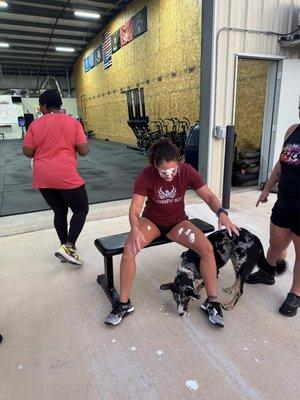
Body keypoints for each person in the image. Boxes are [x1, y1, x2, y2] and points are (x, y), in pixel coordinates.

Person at [105, 139, 239, 327]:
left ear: (178, 163)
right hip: (151, 221)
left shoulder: (187, 171)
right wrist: (135, 229)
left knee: (207, 249)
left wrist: (221, 213)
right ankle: (124, 303)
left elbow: (208, 195)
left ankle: (212, 301)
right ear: (154, 166)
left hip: (178, 223)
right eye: (163, 172)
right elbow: (135, 208)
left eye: (172, 170)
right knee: (129, 250)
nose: (169, 175)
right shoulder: (146, 175)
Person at [23, 89, 89, 266]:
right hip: (65, 174)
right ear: (59, 104)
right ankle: (69, 246)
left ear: (44, 106)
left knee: (60, 211)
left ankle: (64, 248)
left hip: (42, 176)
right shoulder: (73, 123)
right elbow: (84, 151)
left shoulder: (35, 125)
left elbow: (28, 152)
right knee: (81, 209)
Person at [246, 111, 300, 317]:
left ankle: (295, 294)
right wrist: (267, 188)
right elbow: (281, 163)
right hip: (285, 201)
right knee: (276, 242)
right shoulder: (293, 131)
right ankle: (268, 271)